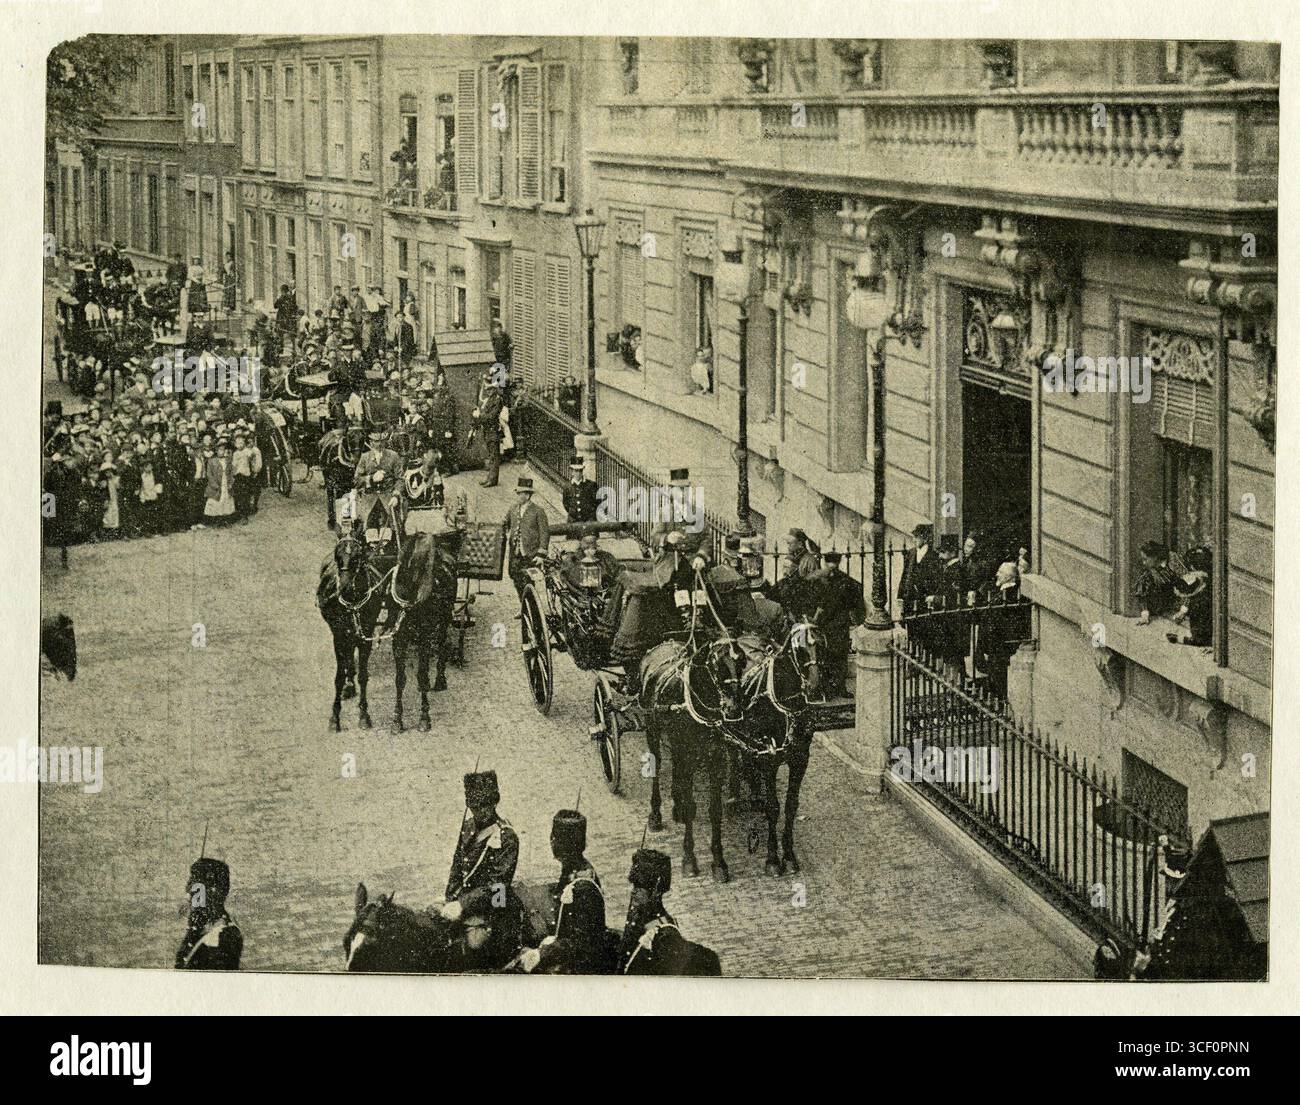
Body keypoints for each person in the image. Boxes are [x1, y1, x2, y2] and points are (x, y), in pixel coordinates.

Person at [432, 770, 523, 970]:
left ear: (495, 802)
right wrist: (450, 898)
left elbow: (497, 885)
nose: (480, 811)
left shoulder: (507, 837)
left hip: (494, 908)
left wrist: (462, 905)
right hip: (464, 902)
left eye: (485, 805)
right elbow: (457, 867)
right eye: (474, 806)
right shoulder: (467, 827)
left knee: (475, 944)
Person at [517, 810, 608, 975]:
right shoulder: (574, 867)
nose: (551, 842)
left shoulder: (582, 886)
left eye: (555, 839)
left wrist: (542, 953)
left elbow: (579, 942)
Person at [618, 849, 720, 976]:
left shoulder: (664, 933)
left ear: (655, 891)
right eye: (634, 886)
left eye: (640, 888)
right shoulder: (637, 914)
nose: (634, 892)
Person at [810, 551, 866, 696]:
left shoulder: (824, 578)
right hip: (834, 623)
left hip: (830, 623)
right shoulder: (842, 579)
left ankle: (833, 688)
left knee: (832, 656)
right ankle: (834, 688)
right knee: (833, 657)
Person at [175, 857, 243, 970]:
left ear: (213, 892)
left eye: (196, 892)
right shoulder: (198, 930)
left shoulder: (222, 937)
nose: (190, 899)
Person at [352, 431, 405, 549]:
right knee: (365, 526)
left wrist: (395, 496)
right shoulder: (365, 457)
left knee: (392, 527)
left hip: (388, 498)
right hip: (369, 499)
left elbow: (400, 479)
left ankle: (387, 547)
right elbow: (356, 480)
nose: (380, 444)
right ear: (370, 442)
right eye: (376, 441)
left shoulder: (393, 456)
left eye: (382, 441)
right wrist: (371, 479)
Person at [899, 523, 944, 659]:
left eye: (917, 537)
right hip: (910, 599)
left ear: (925, 538)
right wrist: (900, 596)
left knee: (926, 631)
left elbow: (937, 580)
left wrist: (933, 595)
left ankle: (927, 661)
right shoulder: (911, 553)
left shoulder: (934, 556)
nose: (914, 539)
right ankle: (914, 662)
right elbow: (905, 575)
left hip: (925, 600)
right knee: (911, 630)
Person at [503, 476, 550, 600]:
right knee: (516, 579)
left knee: (528, 582)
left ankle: (532, 610)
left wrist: (541, 555)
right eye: (517, 493)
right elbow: (505, 524)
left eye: (520, 494)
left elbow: (545, 533)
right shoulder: (513, 509)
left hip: (531, 555)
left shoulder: (538, 511)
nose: (518, 496)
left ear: (528, 495)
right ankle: (523, 606)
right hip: (515, 554)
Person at [1134, 540, 1181, 624]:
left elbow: (1189, 584)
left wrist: (1183, 611)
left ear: (1155, 557)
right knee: (1143, 578)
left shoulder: (1173, 559)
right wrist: (1145, 615)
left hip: (1180, 594)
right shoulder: (1149, 567)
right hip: (1163, 597)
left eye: (1146, 559)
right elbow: (1141, 589)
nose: (1143, 563)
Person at [474, 373, 506, 487]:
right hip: (488, 430)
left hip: (493, 431)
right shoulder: (489, 399)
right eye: (487, 388)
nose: (488, 390)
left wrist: (480, 416)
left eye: (490, 388)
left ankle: (493, 479)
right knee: (491, 455)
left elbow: (491, 416)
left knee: (494, 456)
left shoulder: (497, 400)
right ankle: (490, 477)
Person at [230, 430, 262, 523]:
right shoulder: (235, 453)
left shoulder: (248, 451)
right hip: (237, 476)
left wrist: (254, 469)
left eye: (241, 443)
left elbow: (253, 459)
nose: (239, 445)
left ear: (244, 443)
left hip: (246, 475)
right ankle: (238, 513)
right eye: (237, 443)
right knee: (237, 495)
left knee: (245, 495)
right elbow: (233, 465)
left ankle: (244, 515)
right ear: (235, 444)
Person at [562, 454, 600, 524]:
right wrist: (573, 512)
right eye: (576, 471)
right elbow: (566, 503)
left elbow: (596, 502)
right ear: (572, 472)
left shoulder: (591, 485)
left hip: (588, 520)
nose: (578, 473)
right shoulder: (567, 486)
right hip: (573, 521)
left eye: (580, 471)